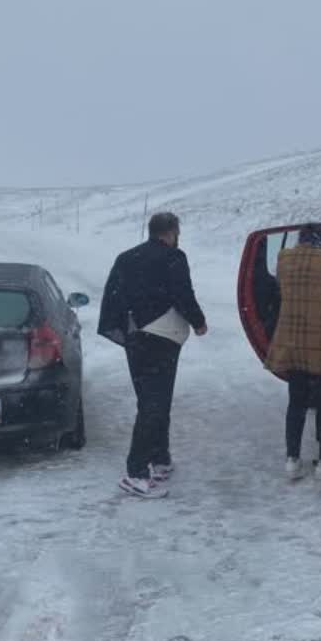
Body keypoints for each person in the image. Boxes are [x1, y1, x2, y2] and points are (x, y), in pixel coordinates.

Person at [97, 211, 208, 498]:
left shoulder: (126, 257)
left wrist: (126, 327)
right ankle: (136, 473)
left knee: (150, 398)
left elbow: (113, 296)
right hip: (162, 337)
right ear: (171, 232)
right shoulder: (173, 257)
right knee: (155, 403)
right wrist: (198, 322)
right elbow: (183, 293)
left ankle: (160, 458)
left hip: (134, 337)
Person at [265, 224, 321, 481]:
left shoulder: (284, 260)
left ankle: (292, 458)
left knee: (297, 402)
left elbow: (282, 293)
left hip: (294, 343)